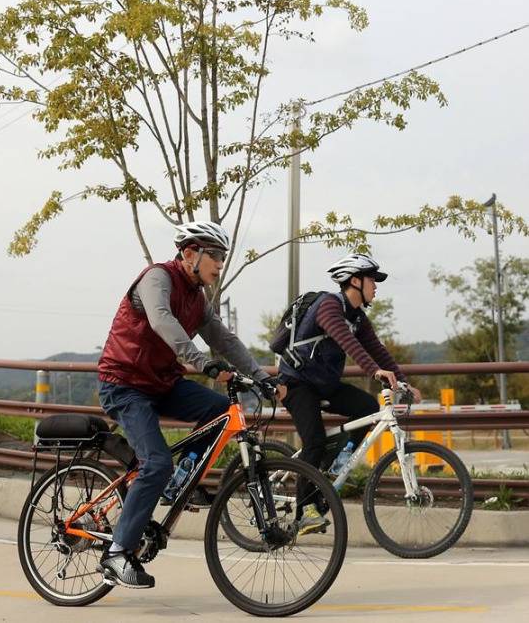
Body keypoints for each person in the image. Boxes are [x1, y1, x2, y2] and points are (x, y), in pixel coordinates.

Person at [97, 220, 286, 589]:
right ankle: (117, 553)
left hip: (162, 383)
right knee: (155, 462)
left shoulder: (197, 299)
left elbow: (225, 340)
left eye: (222, 257)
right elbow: (161, 321)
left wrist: (262, 377)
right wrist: (203, 362)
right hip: (124, 384)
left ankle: (180, 478)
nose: (219, 265)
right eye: (214, 256)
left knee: (219, 411)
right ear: (189, 254)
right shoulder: (157, 279)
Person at [278, 252, 421, 535]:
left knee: (368, 407)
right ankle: (305, 509)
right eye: (372, 280)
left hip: (325, 384)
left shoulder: (357, 316)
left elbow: (376, 350)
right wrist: (374, 372)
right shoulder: (328, 306)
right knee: (314, 440)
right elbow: (347, 342)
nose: (376, 286)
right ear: (355, 281)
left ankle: (333, 467)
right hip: (296, 383)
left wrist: (403, 382)